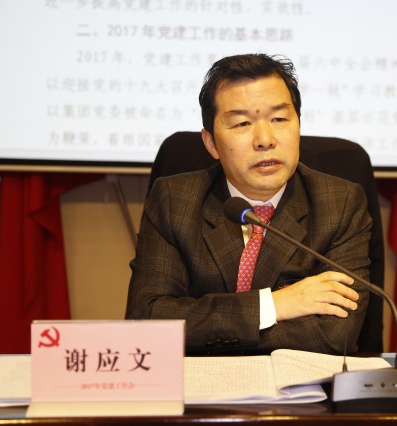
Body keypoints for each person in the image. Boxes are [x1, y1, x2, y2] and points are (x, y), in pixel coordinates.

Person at [125, 53, 372, 355]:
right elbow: (149, 320)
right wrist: (273, 305)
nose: (265, 139)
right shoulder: (174, 201)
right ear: (211, 143)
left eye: (279, 119)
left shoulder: (339, 204)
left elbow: (334, 336)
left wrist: (207, 328)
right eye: (242, 123)